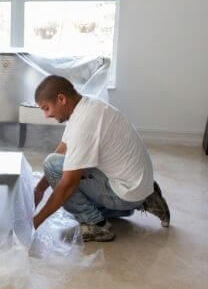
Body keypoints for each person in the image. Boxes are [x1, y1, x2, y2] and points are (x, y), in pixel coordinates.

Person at [32, 75, 170, 241]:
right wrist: (39, 189)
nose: (46, 115)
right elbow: (62, 151)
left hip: (125, 191)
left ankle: (95, 226)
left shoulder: (84, 125)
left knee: (55, 171)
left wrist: (34, 223)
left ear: (61, 99)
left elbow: (68, 184)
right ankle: (145, 200)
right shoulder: (86, 105)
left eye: (46, 108)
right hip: (137, 184)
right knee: (68, 196)